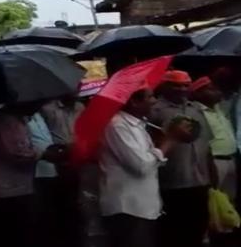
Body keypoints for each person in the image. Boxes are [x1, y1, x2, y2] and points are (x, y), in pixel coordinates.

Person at [100, 87, 177, 247]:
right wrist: (169, 142)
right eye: (150, 97)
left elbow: (150, 162)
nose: (155, 101)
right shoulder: (117, 125)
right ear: (134, 102)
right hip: (128, 207)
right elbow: (140, 166)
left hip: (145, 206)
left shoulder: (139, 125)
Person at [0, 102, 54, 247]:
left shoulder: (10, 119)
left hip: (5, 190)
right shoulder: (8, 121)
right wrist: (47, 154)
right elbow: (19, 152)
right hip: (8, 191)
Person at [151, 70, 215, 247]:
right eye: (176, 85)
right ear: (165, 87)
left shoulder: (196, 109)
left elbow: (206, 145)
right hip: (171, 182)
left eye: (186, 85)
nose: (182, 89)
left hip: (200, 180)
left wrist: (212, 176)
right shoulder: (155, 111)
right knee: (174, 231)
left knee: (198, 226)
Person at [41, 97, 85, 247]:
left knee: (76, 197)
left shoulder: (80, 107)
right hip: (57, 155)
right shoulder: (48, 109)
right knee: (61, 198)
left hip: (77, 155)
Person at [191, 76, 237, 201]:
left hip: (230, 159)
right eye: (211, 89)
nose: (217, 92)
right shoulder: (195, 111)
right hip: (214, 161)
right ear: (198, 93)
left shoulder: (219, 108)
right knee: (215, 200)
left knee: (229, 202)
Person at [27, 112, 62, 247]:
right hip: (34, 172)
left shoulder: (38, 115)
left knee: (50, 212)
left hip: (50, 170)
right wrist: (45, 154)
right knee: (39, 213)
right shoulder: (21, 120)